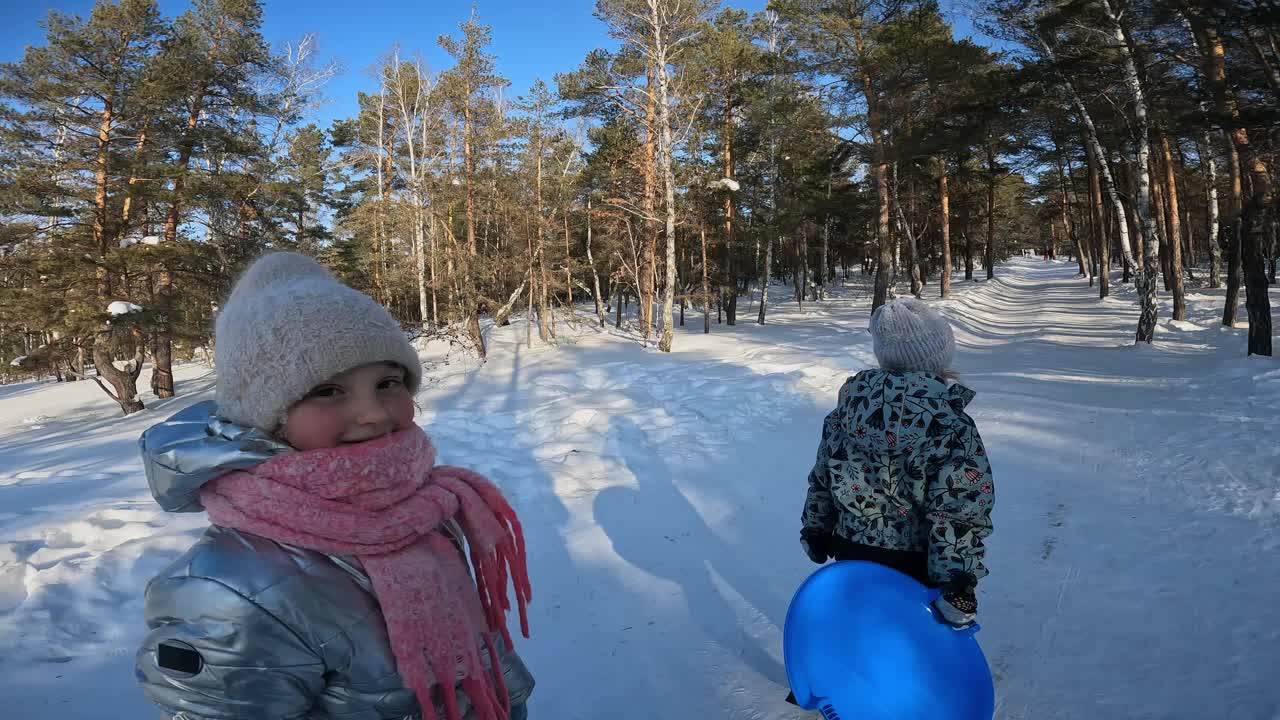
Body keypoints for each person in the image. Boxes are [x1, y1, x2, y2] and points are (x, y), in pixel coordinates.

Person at [135, 252, 534, 720]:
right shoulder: (226, 589)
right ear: (268, 416)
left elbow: (476, 651)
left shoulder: (422, 508)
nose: (374, 414)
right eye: (328, 391)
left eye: (388, 382)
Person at [799, 297, 994, 628]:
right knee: (911, 648)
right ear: (939, 358)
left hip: (852, 558)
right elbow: (959, 509)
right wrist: (956, 582)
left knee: (863, 633)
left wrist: (817, 528)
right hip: (917, 567)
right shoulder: (951, 426)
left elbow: (824, 479)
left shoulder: (846, 413)